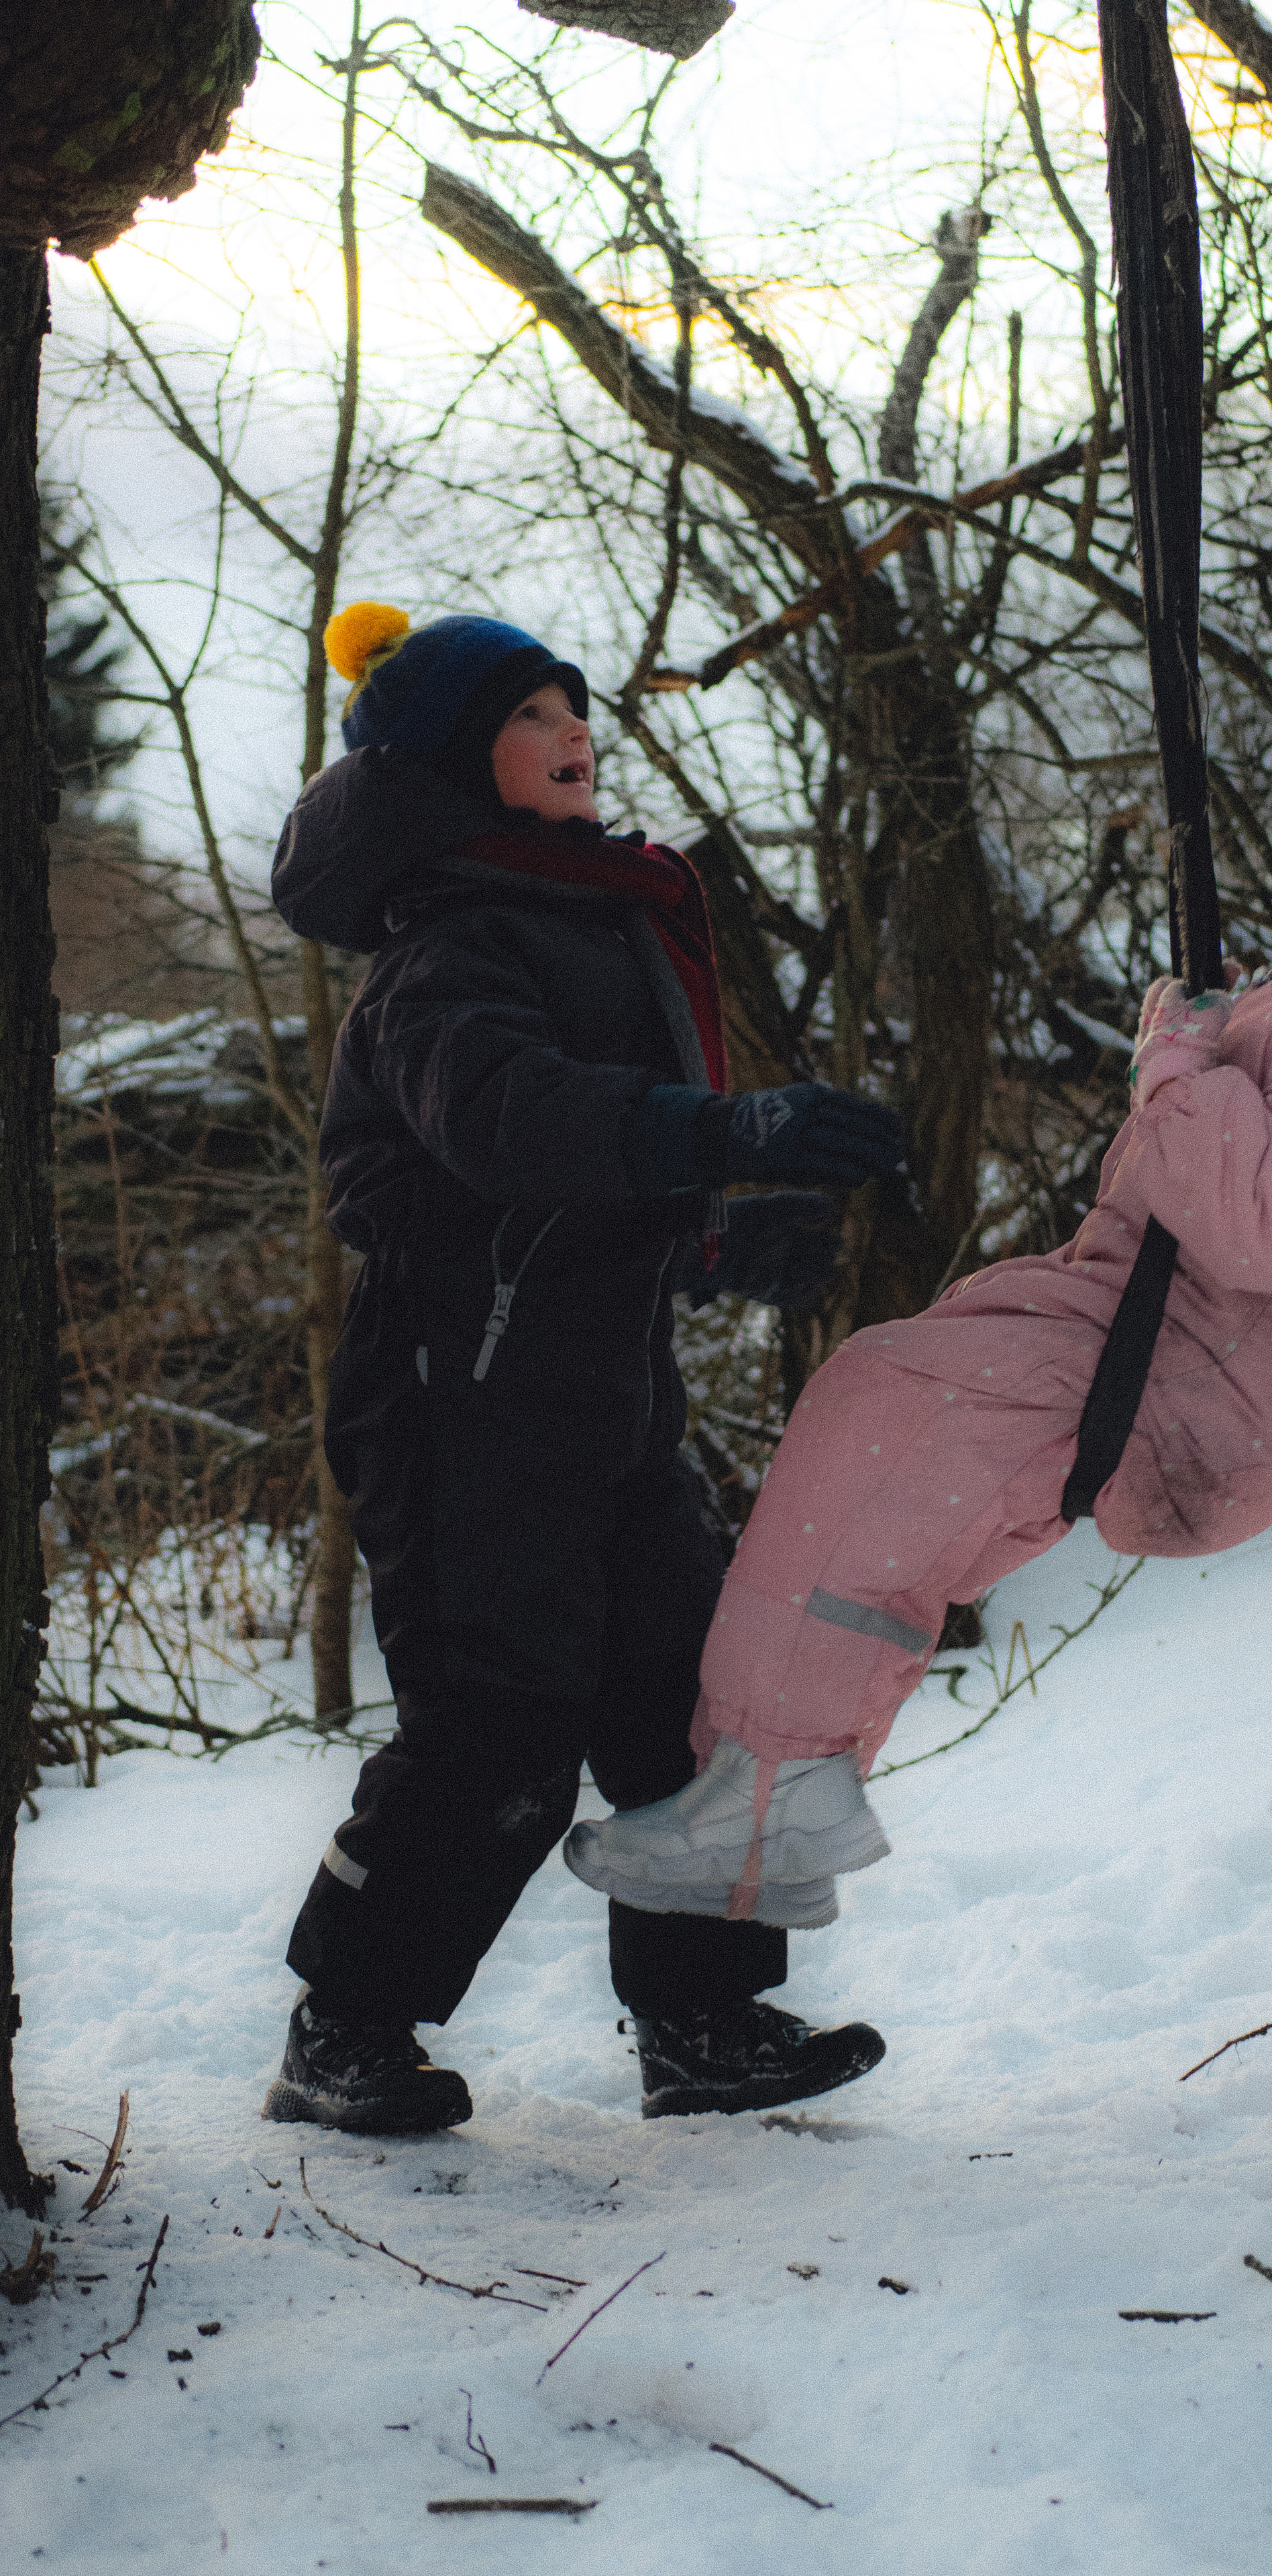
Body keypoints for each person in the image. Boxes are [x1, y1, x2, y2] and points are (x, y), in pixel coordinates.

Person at [568, 807, 1272, 1921]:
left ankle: (771, 1796)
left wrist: (1177, 1063)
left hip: (1177, 1372)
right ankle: (780, 1795)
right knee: (889, 1495)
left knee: (883, 1426)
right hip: (1181, 1367)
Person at [263, 600, 903, 2133]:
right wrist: (727, 1133)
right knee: (498, 1733)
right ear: (447, 761)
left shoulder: (588, 910)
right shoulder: (443, 948)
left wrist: (715, 1245)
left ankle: (701, 2022)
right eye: (529, 715)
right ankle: (344, 2028)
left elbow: (580, 1204)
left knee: (692, 1707)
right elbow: (516, 1124)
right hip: (456, 1409)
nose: (575, 734)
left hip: (603, 1401)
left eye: (575, 707)